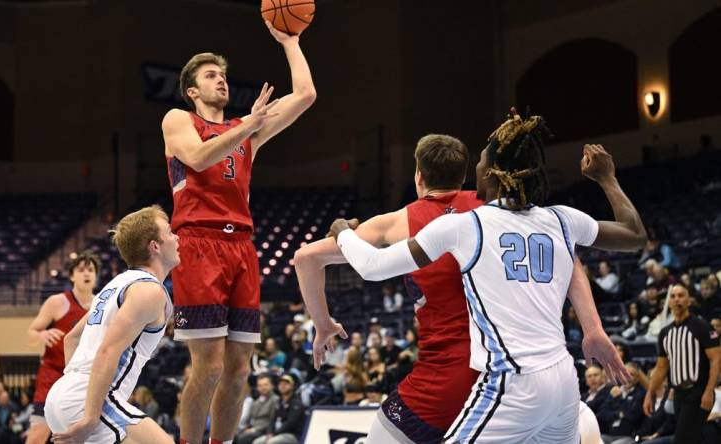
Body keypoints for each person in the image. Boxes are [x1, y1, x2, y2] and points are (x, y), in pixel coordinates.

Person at [296, 130, 634, 443]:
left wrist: (323, 324)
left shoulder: (402, 223)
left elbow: (307, 258)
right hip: (531, 377)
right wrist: (593, 328)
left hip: (447, 378)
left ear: (419, 176)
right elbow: (569, 255)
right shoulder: (506, 208)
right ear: (465, 176)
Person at [161, 19, 317, 444]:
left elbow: (306, 94)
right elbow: (195, 158)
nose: (221, 80)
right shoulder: (179, 119)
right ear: (193, 90)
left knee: (238, 369)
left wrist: (291, 41)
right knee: (208, 365)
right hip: (198, 244)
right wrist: (248, 126)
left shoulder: (246, 130)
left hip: (241, 247)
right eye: (211, 75)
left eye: (224, 75)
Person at [44, 205, 180, 444]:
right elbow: (108, 350)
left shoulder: (115, 284)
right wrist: (90, 414)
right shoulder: (148, 291)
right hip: (87, 400)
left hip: (64, 393)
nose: (176, 237)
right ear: (154, 246)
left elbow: (71, 339)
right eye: (169, 232)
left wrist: (77, 390)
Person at [25, 252, 99, 444]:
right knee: (37, 436)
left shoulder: (102, 305)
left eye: (90, 270)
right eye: (81, 270)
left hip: (83, 378)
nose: (86, 274)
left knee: (79, 436)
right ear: (72, 275)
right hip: (52, 374)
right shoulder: (57, 302)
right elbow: (31, 334)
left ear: (96, 276)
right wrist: (42, 334)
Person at [643, 282, 721, 443]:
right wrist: (649, 393)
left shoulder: (701, 326)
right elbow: (661, 367)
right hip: (678, 393)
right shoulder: (665, 333)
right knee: (694, 439)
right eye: (673, 296)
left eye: (681, 295)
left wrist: (709, 391)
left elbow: (716, 359)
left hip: (698, 391)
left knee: (682, 440)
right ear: (669, 302)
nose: (677, 299)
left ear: (688, 301)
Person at [252, 374, 304, 444]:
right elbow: (272, 420)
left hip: (292, 435)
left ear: (292, 386)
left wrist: (275, 433)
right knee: (257, 442)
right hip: (276, 433)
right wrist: (270, 432)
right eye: (281, 384)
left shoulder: (297, 403)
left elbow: (290, 423)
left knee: (272, 442)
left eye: (286, 384)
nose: (282, 386)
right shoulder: (279, 401)